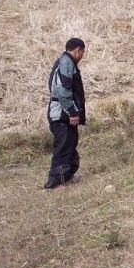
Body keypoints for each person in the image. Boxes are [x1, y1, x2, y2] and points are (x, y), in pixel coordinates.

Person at [45, 38, 86, 190]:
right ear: (77, 50)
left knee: (70, 144)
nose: (82, 55)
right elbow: (62, 90)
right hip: (62, 114)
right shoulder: (66, 62)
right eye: (82, 52)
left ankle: (67, 176)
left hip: (64, 113)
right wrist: (72, 112)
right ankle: (54, 183)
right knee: (62, 147)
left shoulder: (65, 62)